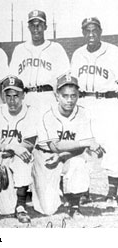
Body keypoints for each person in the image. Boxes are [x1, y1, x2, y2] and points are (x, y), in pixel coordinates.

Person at [32, 73, 105, 217]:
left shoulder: (83, 113)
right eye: (65, 95)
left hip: (68, 156)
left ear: (78, 95)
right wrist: (87, 143)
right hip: (45, 157)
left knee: (79, 164)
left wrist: (63, 156)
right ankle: (53, 187)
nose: (69, 100)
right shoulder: (47, 114)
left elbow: (81, 148)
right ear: (56, 96)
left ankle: (74, 205)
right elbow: (55, 146)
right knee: (48, 209)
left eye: (73, 95)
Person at [70, 17, 118, 210]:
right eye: (87, 31)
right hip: (84, 102)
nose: (91, 34)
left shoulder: (113, 52)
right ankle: (83, 192)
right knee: (84, 146)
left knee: (112, 145)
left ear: (100, 31)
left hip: (108, 101)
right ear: (83, 33)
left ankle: (112, 192)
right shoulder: (78, 54)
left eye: (94, 30)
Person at [0, 76, 38, 223]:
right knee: (5, 210)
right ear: (3, 97)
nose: (12, 100)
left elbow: (29, 144)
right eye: (8, 96)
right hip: (1, 158)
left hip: (19, 156)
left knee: (23, 157)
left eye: (16, 95)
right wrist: (10, 148)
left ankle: (21, 206)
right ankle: (0, 199)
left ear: (23, 95)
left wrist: (14, 150)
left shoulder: (31, 112)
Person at [9, 10, 70, 113]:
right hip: (25, 98)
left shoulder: (56, 48)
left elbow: (64, 79)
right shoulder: (19, 50)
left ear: (45, 26)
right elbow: (12, 78)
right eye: (32, 25)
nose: (36, 29)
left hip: (47, 97)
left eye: (39, 25)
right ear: (28, 27)